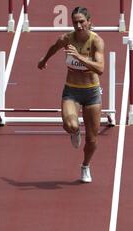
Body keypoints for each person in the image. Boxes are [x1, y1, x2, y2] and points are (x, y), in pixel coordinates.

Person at [38, 7, 104, 183]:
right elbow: (54, 47)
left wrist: (79, 57)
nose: (79, 25)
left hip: (91, 92)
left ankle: (85, 166)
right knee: (71, 125)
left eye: (82, 21)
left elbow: (100, 68)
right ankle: (74, 132)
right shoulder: (67, 39)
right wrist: (44, 60)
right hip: (72, 90)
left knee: (92, 139)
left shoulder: (96, 41)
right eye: (75, 22)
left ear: (89, 22)